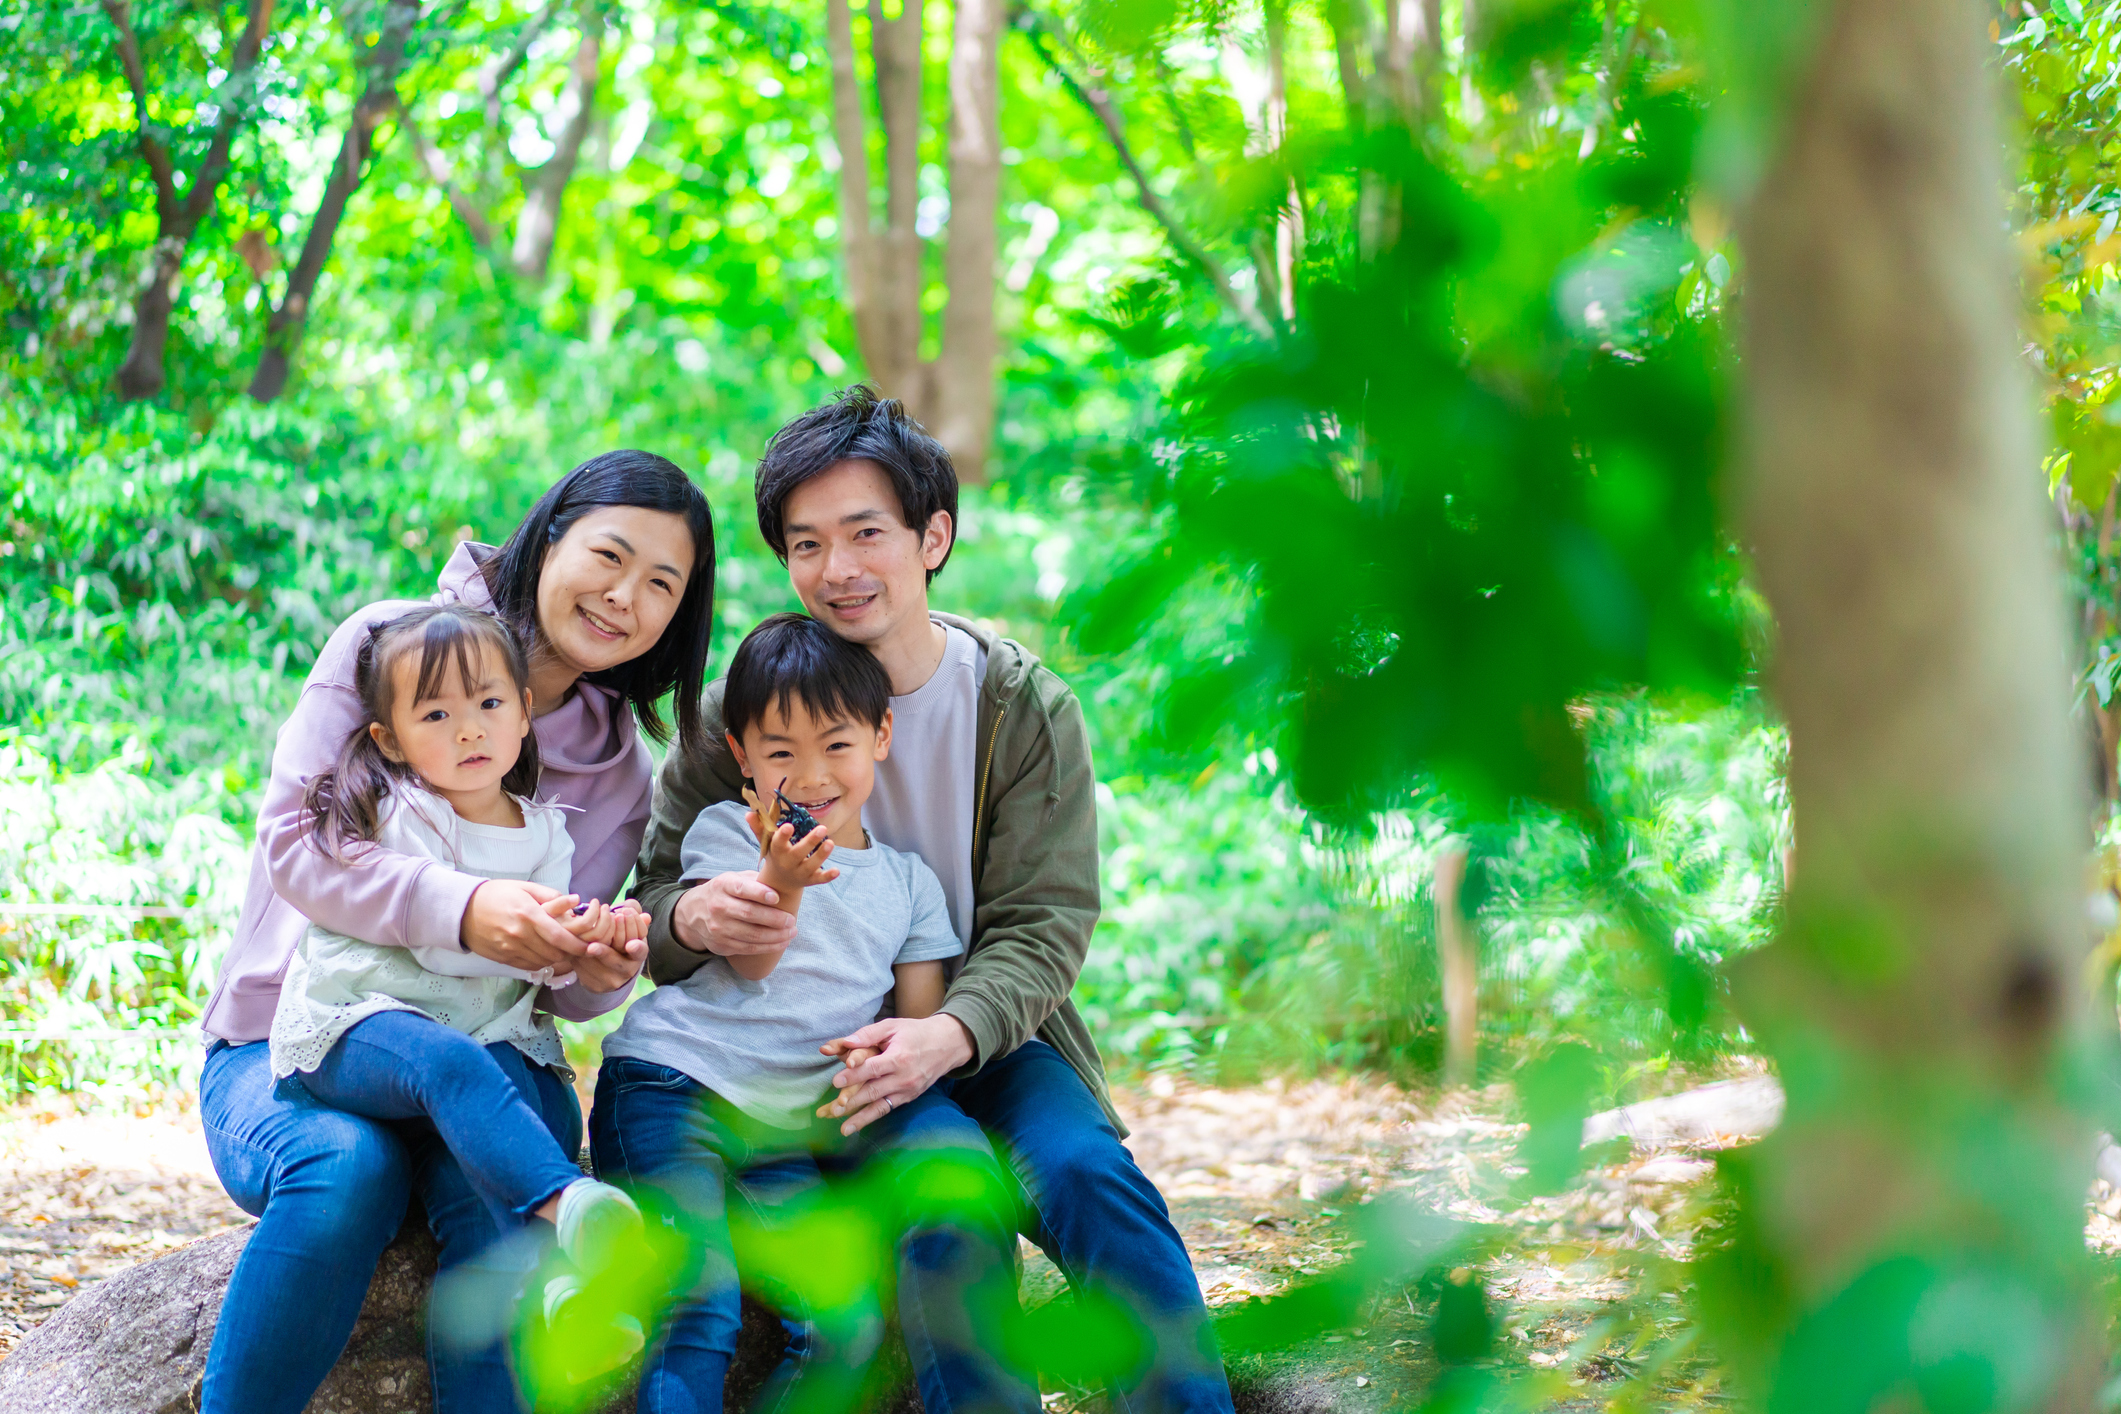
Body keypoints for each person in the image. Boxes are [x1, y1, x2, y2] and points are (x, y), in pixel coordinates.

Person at [633, 389, 1236, 1413]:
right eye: (807, 543)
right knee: (948, 1208)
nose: (838, 569)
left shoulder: (1017, 703)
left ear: (934, 535)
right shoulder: (747, 708)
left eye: (867, 533)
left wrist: (948, 1034)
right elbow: (656, 900)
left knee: (1088, 1175)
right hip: (794, 1047)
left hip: (983, 1033)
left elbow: (1045, 924)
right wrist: (692, 918)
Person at [198, 449, 715, 1414]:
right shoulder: (387, 645)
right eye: (608, 555)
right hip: (290, 1042)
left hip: (484, 1056)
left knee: (494, 1196)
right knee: (349, 1167)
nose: (623, 598)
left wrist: (601, 964)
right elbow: (299, 848)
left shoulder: (615, 775)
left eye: (661, 584)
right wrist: (465, 908)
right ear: (550, 535)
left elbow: (564, 987)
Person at [592, 612, 1036, 1414]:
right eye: (780, 754)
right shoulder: (730, 831)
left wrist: (887, 1058)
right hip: (671, 1089)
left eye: (836, 745)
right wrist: (783, 878)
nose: (810, 775)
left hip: (779, 1128)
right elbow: (756, 960)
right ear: (741, 758)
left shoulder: (908, 884)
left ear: (880, 737)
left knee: (844, 1325)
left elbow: (917, 1021)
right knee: (697, 1304)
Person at [267, 601, 652, 1381]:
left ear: (524, 714)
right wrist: (511, 928)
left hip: (485, 1041)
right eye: (435, 713)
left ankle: (563, 1285)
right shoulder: (390, 812)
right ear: (390, 738)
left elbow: (536, 969)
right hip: (360, 1026)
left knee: (530, 1104)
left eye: (487, 704)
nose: (469, 730)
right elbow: (445, 946)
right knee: (449, 1063)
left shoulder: (546, 833)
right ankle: (565, 1207)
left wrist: (592, 948)